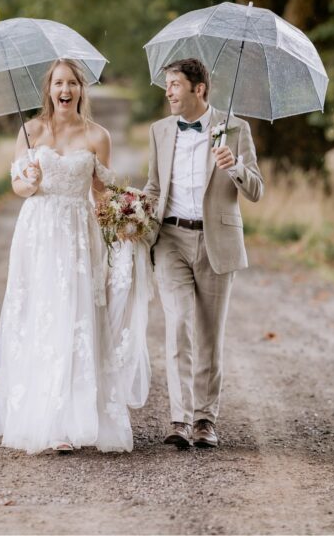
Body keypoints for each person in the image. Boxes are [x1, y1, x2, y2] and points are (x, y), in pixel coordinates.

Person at [0, 58, 141, 454]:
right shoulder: (31, 131)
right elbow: (18, 188)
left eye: (72, 83)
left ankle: (74, 419)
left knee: (76, 316)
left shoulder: (97, 136)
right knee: (40, 315)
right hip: (37, 233)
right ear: (49, 89)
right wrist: (29, 181)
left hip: (78, 236)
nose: (65, 90)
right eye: (58, 83)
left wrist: (124, 224)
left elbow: (103, 192)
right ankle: (46, 418)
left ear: (81, 89)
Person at [144, 58, 264, 448]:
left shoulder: (236, 129)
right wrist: (133, 217)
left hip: (217, 241)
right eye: (168, 85)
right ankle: (179, 419)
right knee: (178, 324)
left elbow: (257, 190)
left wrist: (236, 168)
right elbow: (152, 187)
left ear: (199, 89)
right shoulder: (159, 131)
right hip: (171, 239)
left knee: (210, 334)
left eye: (175, 85)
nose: (169, 92)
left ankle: (204, 420)